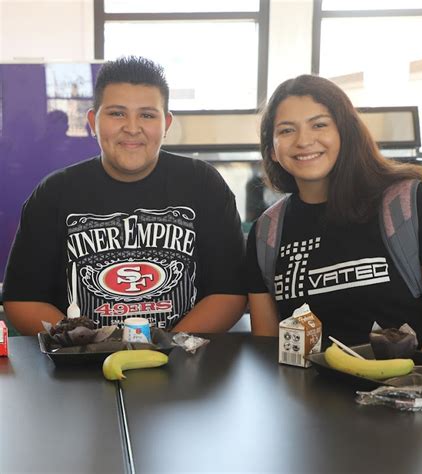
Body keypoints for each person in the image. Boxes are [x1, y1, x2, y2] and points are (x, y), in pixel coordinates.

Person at [3, 56, 247, 335]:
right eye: (117, 113)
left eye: (147, 114)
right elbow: (23, 298)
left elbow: (230, 292)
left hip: (187, 366)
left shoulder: (204, 184)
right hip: (79, 370)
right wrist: (84, 345)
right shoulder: (53, 193)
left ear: (166, 123)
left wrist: (169, 347)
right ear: (93, 121)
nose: (132, 127)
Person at [246, 74, 422, 353]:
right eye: (286, 131)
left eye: (319, 125)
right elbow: (269, 345)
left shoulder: (405, 204)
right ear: (271, 150)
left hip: (411, 388)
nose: (304, 141)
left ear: (345, 132)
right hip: (306, 395)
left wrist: (400, 391)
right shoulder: (265, 233)